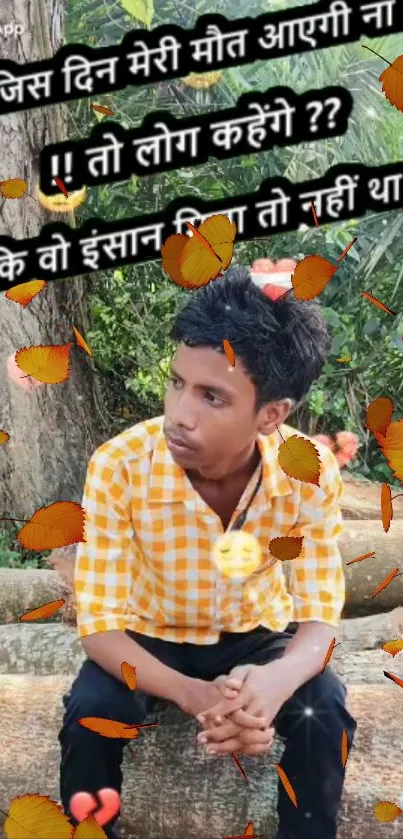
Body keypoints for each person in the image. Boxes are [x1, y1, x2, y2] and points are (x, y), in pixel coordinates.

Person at [59, 264, 357, 839]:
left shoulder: (310, 473)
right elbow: (99, 628)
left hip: (256, 633)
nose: (179, 413)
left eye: (212, 396)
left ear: (271, 415)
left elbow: (320, 613)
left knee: (327, 710)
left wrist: (275, 682)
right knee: (89, 714)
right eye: (177, 384)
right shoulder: (121, 465)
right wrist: (194, 695)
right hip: (148, 633)